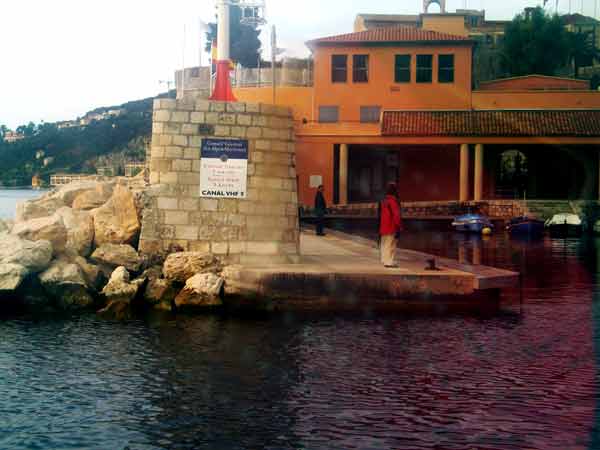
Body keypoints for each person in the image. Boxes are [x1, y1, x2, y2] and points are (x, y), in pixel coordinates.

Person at [379, 183, 403, 268]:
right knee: (391, 245)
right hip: (391, 226)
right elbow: (396, 215)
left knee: (384, 244)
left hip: (383, 226)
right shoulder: (393, 201)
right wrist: (399, 226)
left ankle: (385, 260)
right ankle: (389, 262)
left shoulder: (383, 201)